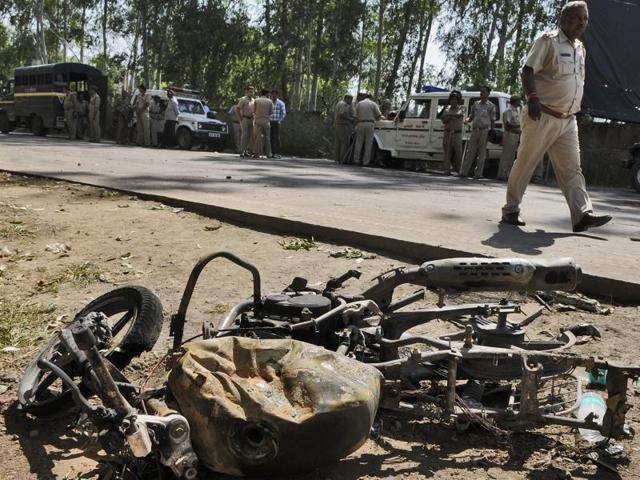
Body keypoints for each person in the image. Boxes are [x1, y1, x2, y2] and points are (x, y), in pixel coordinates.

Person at [501, 1, 611, 232]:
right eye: (577, 18)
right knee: (526, 164)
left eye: (586, 18)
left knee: (572, 169)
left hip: (568, 120)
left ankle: (581, 215)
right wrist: (532, 98)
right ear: (563, 21)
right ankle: (511, 210)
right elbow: (527, 70)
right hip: (542, 115)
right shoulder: (547, 41)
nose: (582, 22)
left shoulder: (580, 48)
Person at [460, 86, 495, 178]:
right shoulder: (475, 104)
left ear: (488, 93)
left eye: (483, 92)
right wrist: (467, 120)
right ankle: (464, 172)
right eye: (481, 91)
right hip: (475, 130)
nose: (481, 93)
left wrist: (492, 132)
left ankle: (478, 174)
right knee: (470, 152)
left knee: (481, 153)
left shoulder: (491, 106)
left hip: (484, 131)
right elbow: (471, 116)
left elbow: (492, 120)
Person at [496, 95, 522, 180]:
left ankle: (507, 174)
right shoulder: (508, 111)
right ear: (515, 101)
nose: (520, 103)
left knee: (511, 157)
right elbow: (507, 125)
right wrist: (519, 126)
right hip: (509, 136)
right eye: (518, 101)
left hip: (515, 136)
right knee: (506, 156)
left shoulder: (516, 111)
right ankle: (501, 174)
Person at [439, 90, 464, 175]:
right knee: (447, 151)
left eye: (455, 100)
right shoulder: (447, 108)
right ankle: (446, 169)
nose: (453, 101)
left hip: (457, 133)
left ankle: (460, 170)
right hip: (447, 132)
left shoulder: (461, 108)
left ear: (458, 100)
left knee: (458, 153)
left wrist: (449, 115)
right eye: (452, 99)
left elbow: (459, 115)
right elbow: (443, 120)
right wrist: (450, 116)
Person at [353, 94, 382, 166]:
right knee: (368, 144)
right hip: (370, 124)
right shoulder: (373, 104)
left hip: (360, 123)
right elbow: (379, 115)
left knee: (358, 143)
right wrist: (376, 119)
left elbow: (355, 116)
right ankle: (365, 162)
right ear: (371, 98)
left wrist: (356, 125)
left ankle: (356, 160)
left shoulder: (359, 103)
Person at [252, 88, 273, 159]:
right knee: (267, 138)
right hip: (266, 121)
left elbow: (253, 111)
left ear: (261, 93)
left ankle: (256, 154)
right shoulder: (270, 101)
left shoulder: (256, 100)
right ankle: (268, 154)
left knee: (258, 138)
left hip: (258, 121)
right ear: (267, 94)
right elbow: (271, 112)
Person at [334, 94, 355, 164]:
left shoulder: (339, 103)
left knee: (338, 143)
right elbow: (341, 114)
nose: (351, 102)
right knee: (344, 143)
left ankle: (336, 159)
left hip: (337, 124)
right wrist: (350, 119)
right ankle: (342, 159)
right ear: (347, 99)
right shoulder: (344, 104)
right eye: (350, 100)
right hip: (343, 125)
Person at [236, 86, 255, 157]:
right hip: (245, 119)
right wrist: (240, 119)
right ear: (247, 92)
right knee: (244, 135)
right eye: (250, 91)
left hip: (251, 119)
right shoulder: (243, 99)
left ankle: (246, 150)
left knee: (250, 136)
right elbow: (237, 109)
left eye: (253, 91)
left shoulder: (254, 100)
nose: (252, 93)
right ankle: (242, 151)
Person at [270, 89, 286, 158]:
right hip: (270, 122)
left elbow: (283, 113)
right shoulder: (270, 102)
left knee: (277, 138)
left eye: (274, 94)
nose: (273, 95)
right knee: (271, 137)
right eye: (272, 94)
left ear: (277, 95)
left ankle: (279, 153)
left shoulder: (281, 103)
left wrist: (279, 121)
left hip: (277, 122)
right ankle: (273, 153)